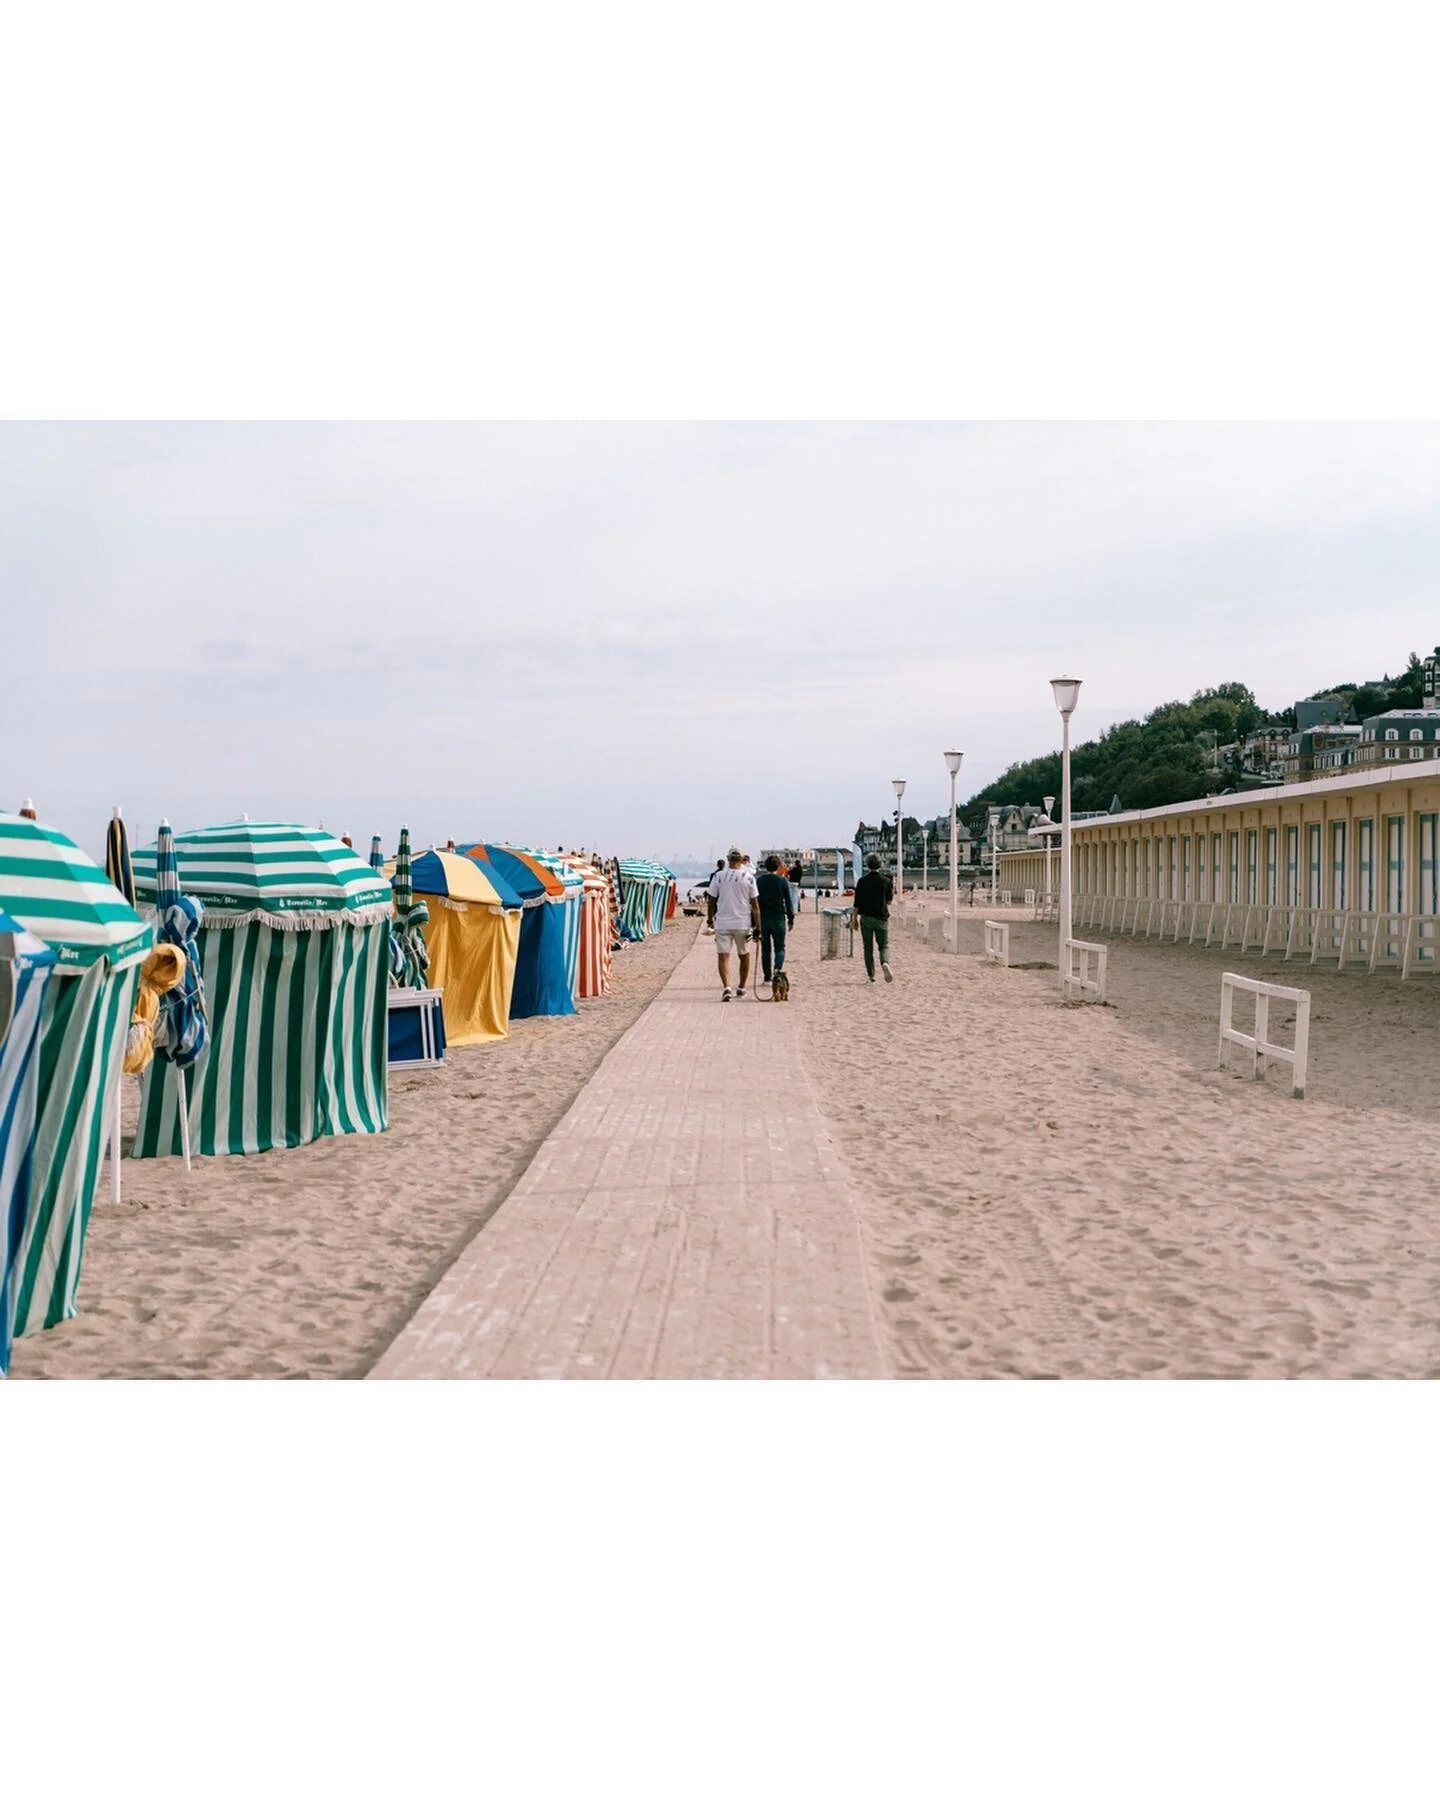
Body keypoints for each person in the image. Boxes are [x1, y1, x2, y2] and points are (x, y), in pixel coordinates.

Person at [706, 847, 761, 1000]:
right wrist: (758, 927)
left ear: (728, 859)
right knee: (744, 955)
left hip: (722, 922)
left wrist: (710, 920)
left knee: (723, 956)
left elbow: (711, 900)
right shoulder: (749, 877)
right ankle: (742, 987)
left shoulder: (719, 876)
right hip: (742, 922)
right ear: (742, 860)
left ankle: (727, 987)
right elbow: (755, 905)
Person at [851, 853, 894, 983]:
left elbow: (856, 904)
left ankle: (871, 975)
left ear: (867, 865)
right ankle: (885, 962)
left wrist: (854, 920)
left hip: (866, 918)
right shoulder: (886, 881)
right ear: (880, 865)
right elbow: (889, 901)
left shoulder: (862, 882)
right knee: (884, 945)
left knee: (868, 947)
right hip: (881, 918)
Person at [755, 854, 796, 986]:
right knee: (780, 947)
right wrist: (791, 919)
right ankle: (777, 971)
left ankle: (767, 978)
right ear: (778, 867)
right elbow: (789, 902)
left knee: (765, 949)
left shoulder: (759, 881)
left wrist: (754, 923)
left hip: (763, 919)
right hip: (778, 918)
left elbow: (755, 903)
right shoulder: (782, 881)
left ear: (765, 866)